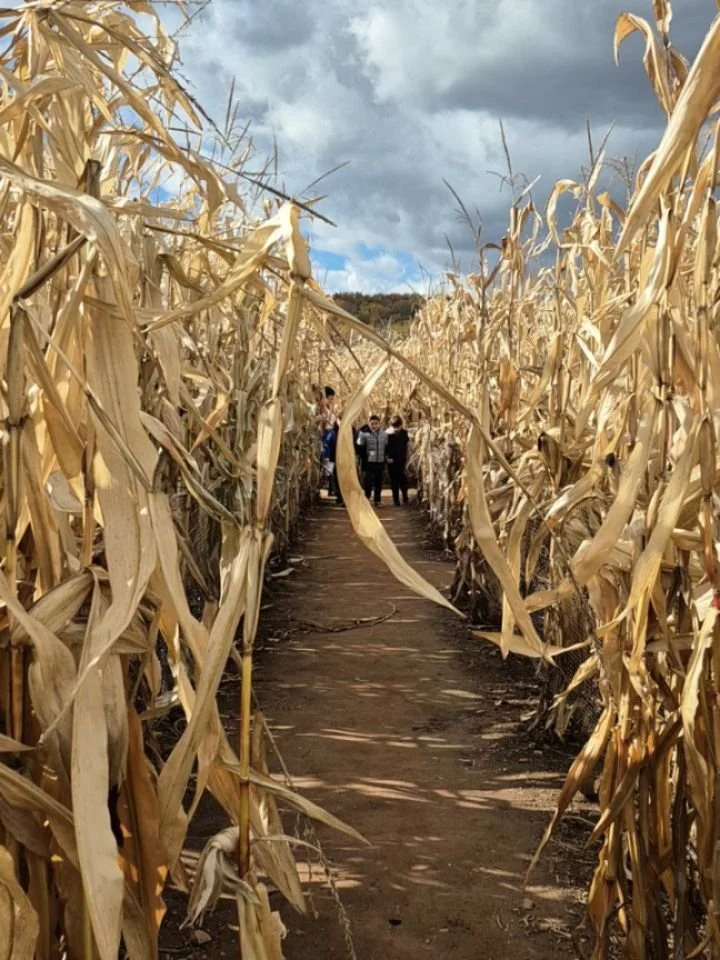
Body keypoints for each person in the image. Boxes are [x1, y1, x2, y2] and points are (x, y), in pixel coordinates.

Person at [356, 414, 388, 506]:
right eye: (372, 423)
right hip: (368, 462)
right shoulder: (364, 434)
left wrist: (386, 457)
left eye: (376, 423)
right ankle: (367, 498)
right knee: (368, 482)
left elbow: (386, 447)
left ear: (379, 424)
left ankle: (377, 500)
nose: (374, 426)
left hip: (380, 461)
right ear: (369, 423)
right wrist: (361, 434)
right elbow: (359, 445)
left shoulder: (384, 434)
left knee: (378, 482)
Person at [386, 415, 410, 505]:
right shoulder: (387, 434)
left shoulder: (404, 433)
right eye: (394, 427)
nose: (396, 429)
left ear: (401, 425)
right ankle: (396, 500)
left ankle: (405, 497)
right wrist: (387, 458)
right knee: (393, 481)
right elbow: (384, 448)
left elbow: (407, 447)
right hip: (391, 460)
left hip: (401, 460)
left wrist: (408, 458)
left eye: (398, 427)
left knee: (403, 479)